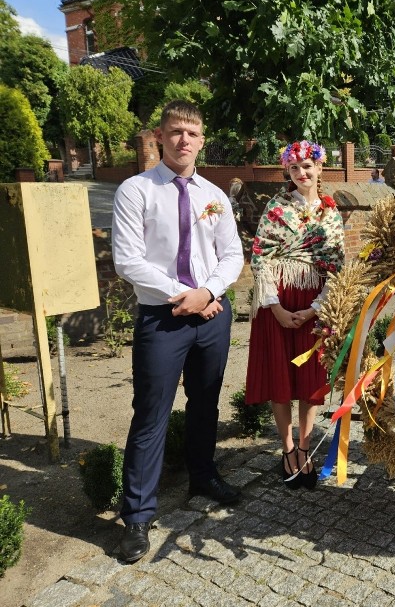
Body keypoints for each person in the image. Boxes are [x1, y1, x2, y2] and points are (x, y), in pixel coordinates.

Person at [112, 100, 244, 563]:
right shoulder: (136, 190)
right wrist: (183, 296)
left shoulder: (215, 194)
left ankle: (202, 475)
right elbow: (128, 259)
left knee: (206, 401)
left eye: (192, 133)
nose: (183, 140)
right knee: (151, 414)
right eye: (175, 132)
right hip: (163, 319)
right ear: (159, 136)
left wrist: (206, 293)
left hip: (210, 316)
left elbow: (233, 256)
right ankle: (137, 516)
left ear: (202, 140)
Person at [245, 140, 344, 491]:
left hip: (312, 302)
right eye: (294, 168)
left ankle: (305, 447)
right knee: (281, 380)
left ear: (320, 168)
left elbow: (337, 266)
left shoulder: (331, 214)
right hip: (279, 301)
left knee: (308, 381)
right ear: (288, 171)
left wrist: (316, 308)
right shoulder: (276, 207)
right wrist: (276, 307)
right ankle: (287, 450)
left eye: (307, 166)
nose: (302, 173)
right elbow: (261, 257)